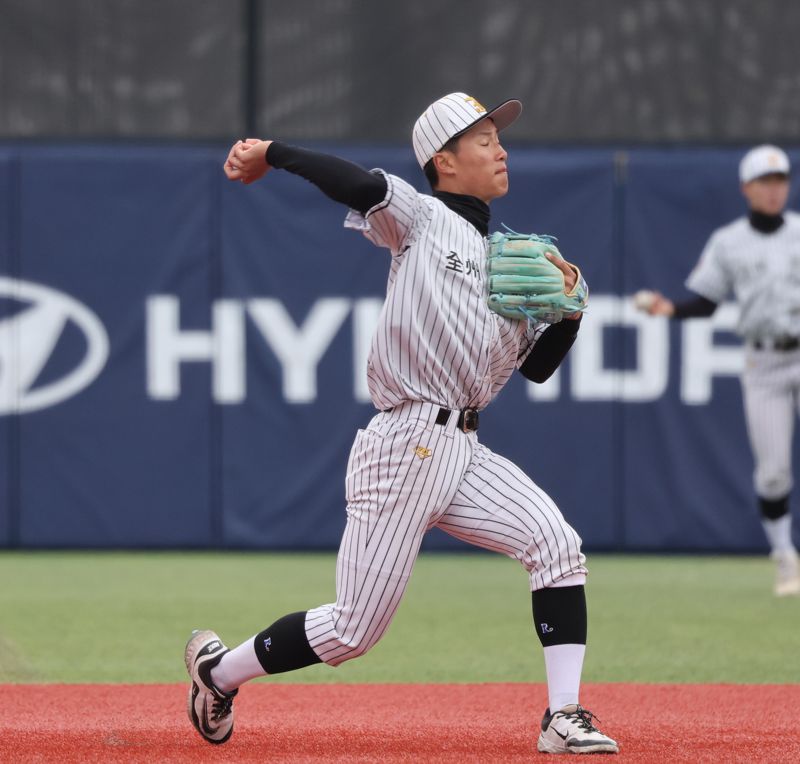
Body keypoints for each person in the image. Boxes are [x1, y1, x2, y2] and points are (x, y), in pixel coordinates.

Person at [184, 92, 619, 755]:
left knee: (558, 547)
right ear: (443, 161)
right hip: (405, 442)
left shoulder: (511, 258)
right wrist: (274, 153)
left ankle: (564, 717)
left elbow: (536, 371)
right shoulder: (420, 217)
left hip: (465, 448)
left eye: (498, 138)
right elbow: (356, 184)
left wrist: (570, 314)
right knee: (353, 631)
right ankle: (218, 674)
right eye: (482, 140)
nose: (500, 147)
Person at [635, 144, 800, 597]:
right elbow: (707, 303)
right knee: (773, 473)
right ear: (747, 188)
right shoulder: (729, 242)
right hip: (763, 361)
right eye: (765, 181)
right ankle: (785, 558)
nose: (774, 189)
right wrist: (669, 310)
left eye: (780, 180)